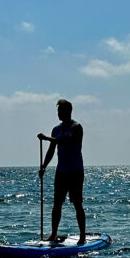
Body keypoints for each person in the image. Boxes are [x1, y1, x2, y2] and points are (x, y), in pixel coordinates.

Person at [38, 99, 85, 244]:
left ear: (68, 112)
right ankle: (53, 234)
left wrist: (47, 138)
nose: (58, 113)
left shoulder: (76, 127)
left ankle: (82, 236)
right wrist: (43, 167)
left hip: (75, 171)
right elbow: (52, 150)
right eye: (58, 111)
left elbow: (68, 142)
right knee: (57, 204)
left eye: (61, 111)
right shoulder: (56, 129)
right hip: (61, 172)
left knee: (77, 203)